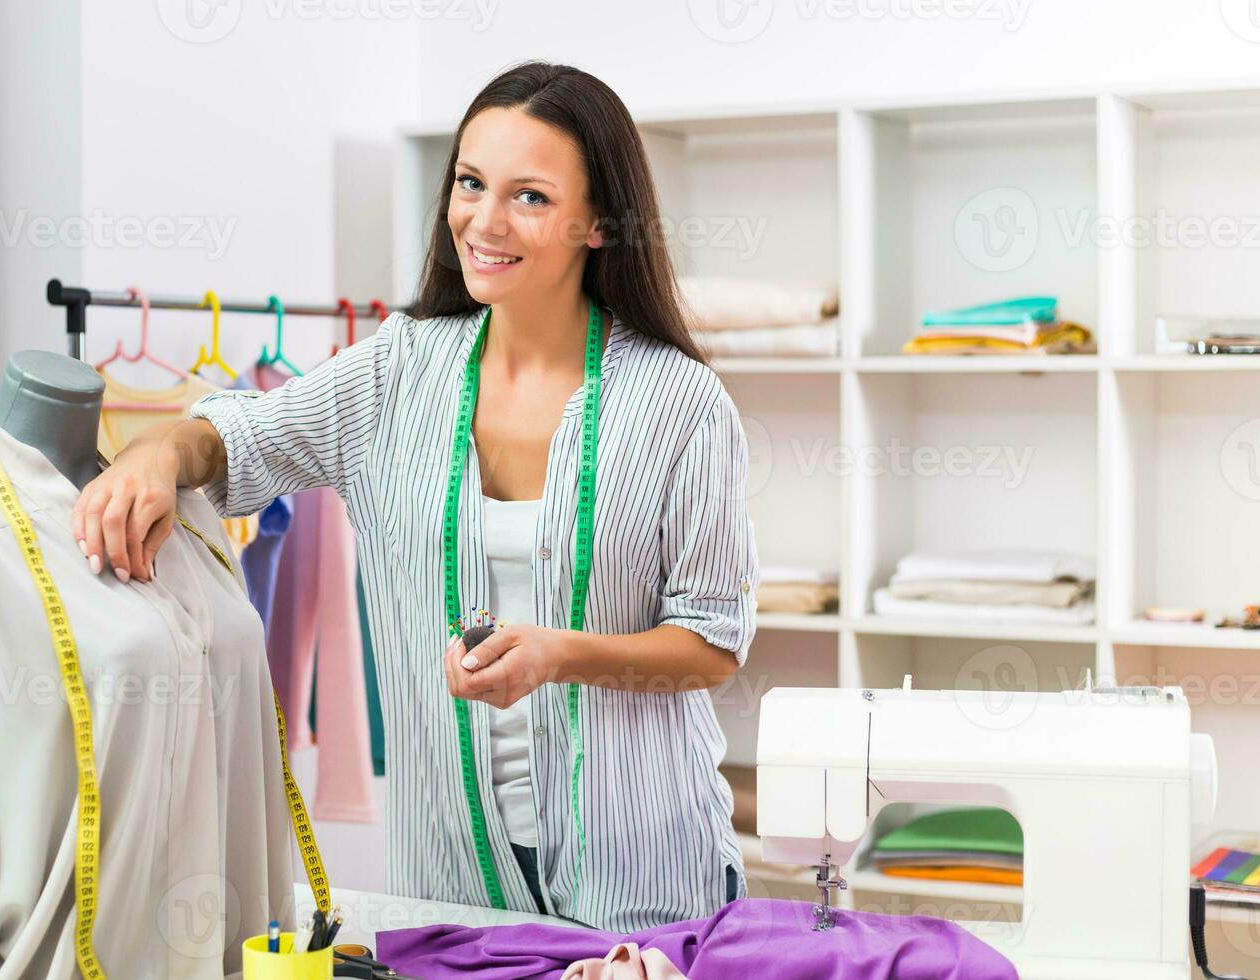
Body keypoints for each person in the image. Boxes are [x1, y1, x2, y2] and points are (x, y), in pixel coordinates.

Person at [72, 60, 759, 932]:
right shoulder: (400, 369)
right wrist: (157, 452)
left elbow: (711, 645)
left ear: (597, 222)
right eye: (470, 183)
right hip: (450, 877)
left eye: (531, 197)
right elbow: (244, 434)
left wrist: (559, 656)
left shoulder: (680, 405)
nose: (484, 219)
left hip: (648, 871)